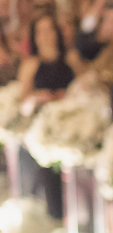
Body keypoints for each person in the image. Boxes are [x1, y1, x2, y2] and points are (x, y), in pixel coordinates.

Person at [17, 12, 75, 218]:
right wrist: (39, 97)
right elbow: (22, 106)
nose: (46, 35)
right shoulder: (31, 65)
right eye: (40, 31)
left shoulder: (71, 59)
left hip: (73, 129)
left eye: (50, 29)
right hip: (45, 133)